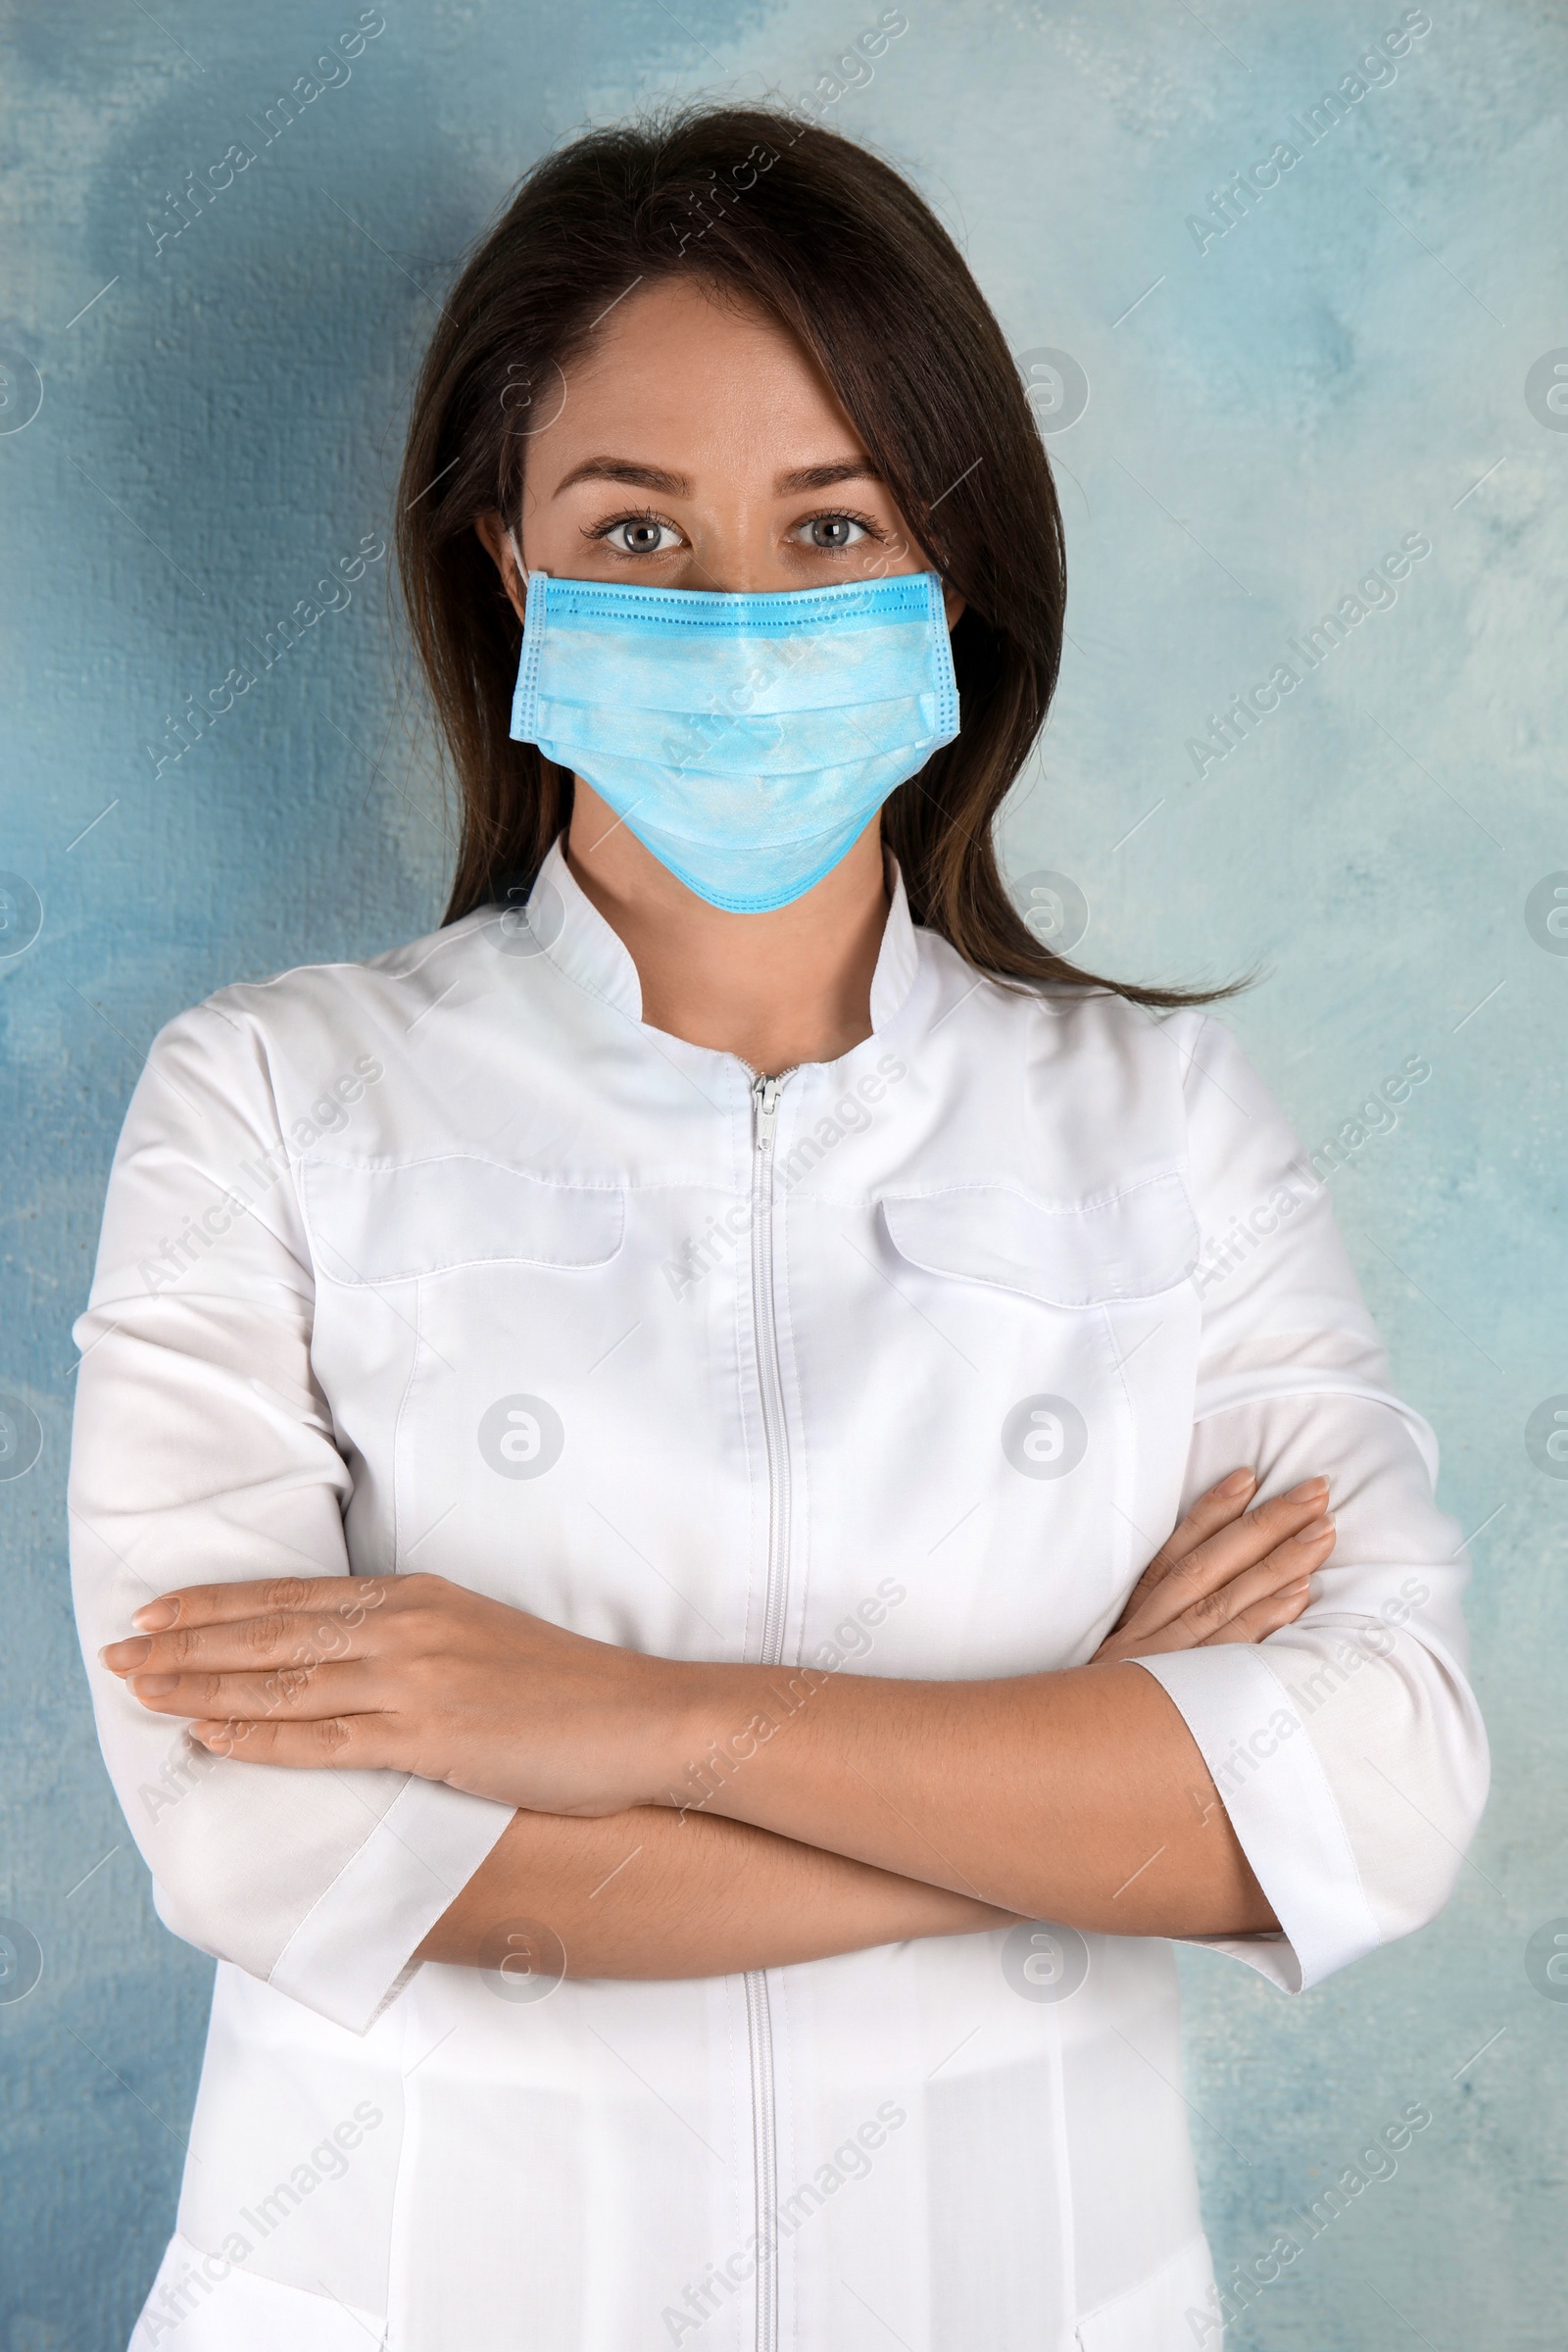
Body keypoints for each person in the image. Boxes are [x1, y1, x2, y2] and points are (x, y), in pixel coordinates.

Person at [71, 105, 1488, 2352]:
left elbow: (1377, 1786)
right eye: (637, 530)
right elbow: (267, 1845)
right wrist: (1081, 1756)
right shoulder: (268, 1100)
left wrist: (617, 1719)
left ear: (946, 572)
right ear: (512, 570)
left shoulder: (1165, 1125)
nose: (740, 615)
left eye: (829, 524)